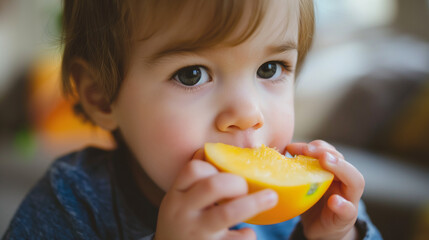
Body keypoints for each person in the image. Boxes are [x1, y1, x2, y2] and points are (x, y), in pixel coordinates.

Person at [3, 0, 382, 239]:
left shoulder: (307, 209)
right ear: (102, 95)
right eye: (192, 75)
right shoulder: (72, 202)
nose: (249, 114)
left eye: (270, 68)